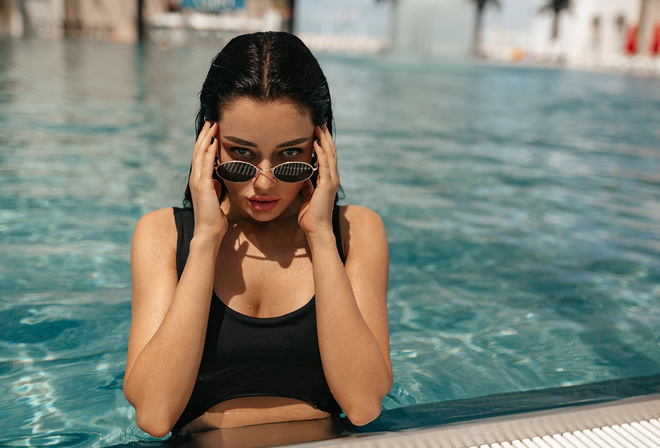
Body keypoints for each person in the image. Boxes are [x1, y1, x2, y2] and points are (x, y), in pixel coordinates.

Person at [123, 31, 392, 439]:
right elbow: (155, 415)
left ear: (320, 147)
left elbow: (363, 404)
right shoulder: (163, 235)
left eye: (290, 156)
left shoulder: (355, 233)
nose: (264, 184)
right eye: (242, 156)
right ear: (209, 145)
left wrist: (320, 234)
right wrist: (206, 239)